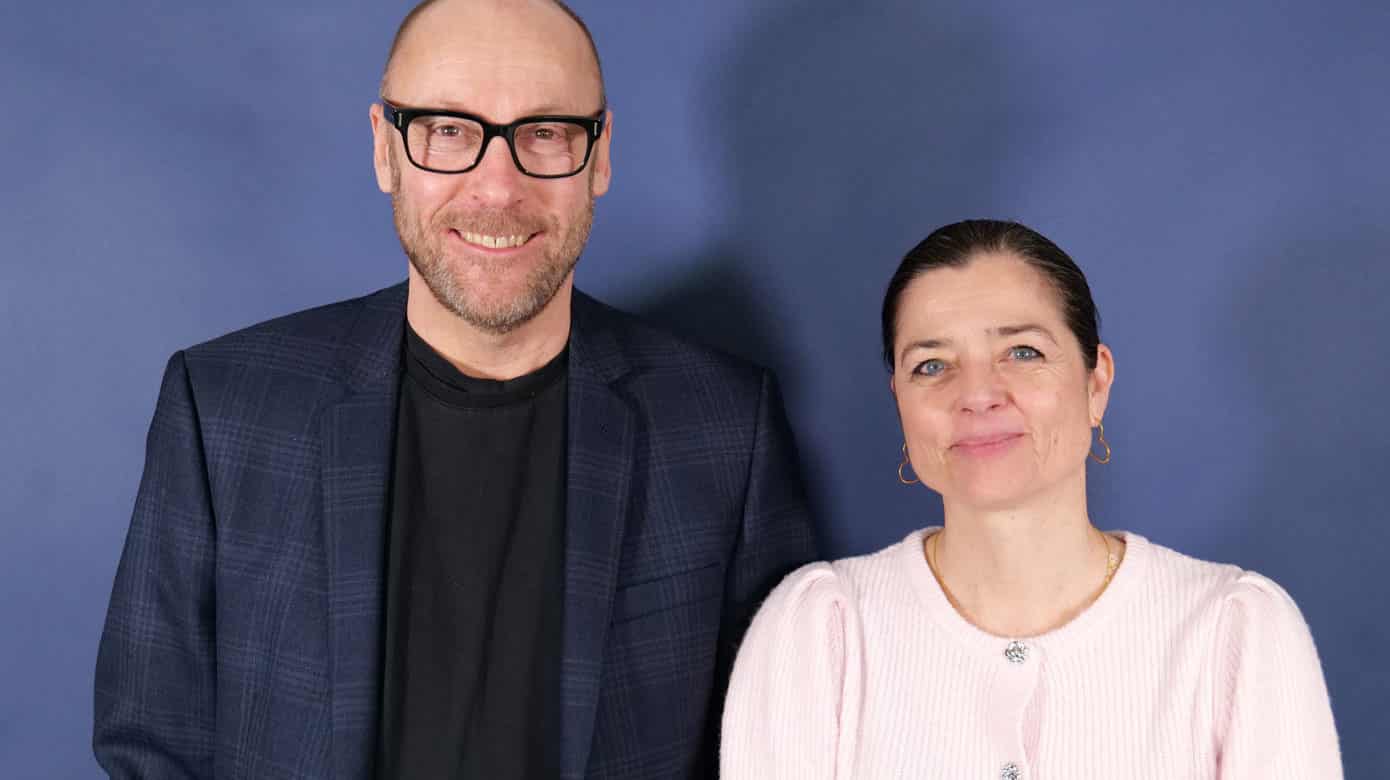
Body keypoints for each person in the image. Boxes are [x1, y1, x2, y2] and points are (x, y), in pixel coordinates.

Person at [93, 1, 817, 777]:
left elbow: (780, 746)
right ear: (385, 149)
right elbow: (152, 747)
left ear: (599, 156)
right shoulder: (224, 409)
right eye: (448, 130)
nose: (497, 187)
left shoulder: (725, 423)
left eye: (544, 133)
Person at [720, 219, 1341, 779]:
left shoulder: (1234, 630)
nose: (977, 395)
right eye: (931, 365)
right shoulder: (820, 629)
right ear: (900, 402)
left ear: (1096, 383)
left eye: (1022, 352)